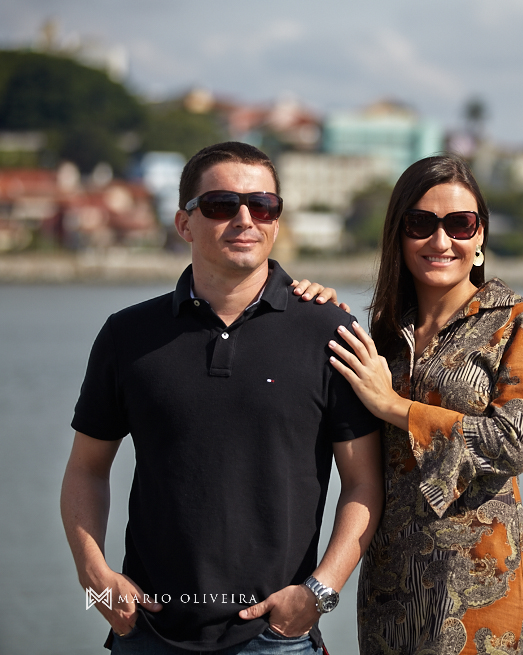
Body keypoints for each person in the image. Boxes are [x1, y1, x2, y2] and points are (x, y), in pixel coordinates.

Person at [60, 141, 383, 654]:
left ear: (277, 220)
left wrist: (320, 592)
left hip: (276, 638)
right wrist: (95, 577)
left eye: (263, 206)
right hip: (149, 632)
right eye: (220, 205)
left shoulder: (330, 331)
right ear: (184, 223)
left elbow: (364, 482)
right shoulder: (126, 335)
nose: (245, 219)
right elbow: (86, 469)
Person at [296, 154, 523, 655]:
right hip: (390, 578)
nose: (441, 241)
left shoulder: (513, 321)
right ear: (398, 235)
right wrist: (314, 310)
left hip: (477, 585)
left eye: (460, 224)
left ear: (480, 238)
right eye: (421, 224)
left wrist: (394, 406)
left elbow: (515, 442)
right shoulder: (385, 334)